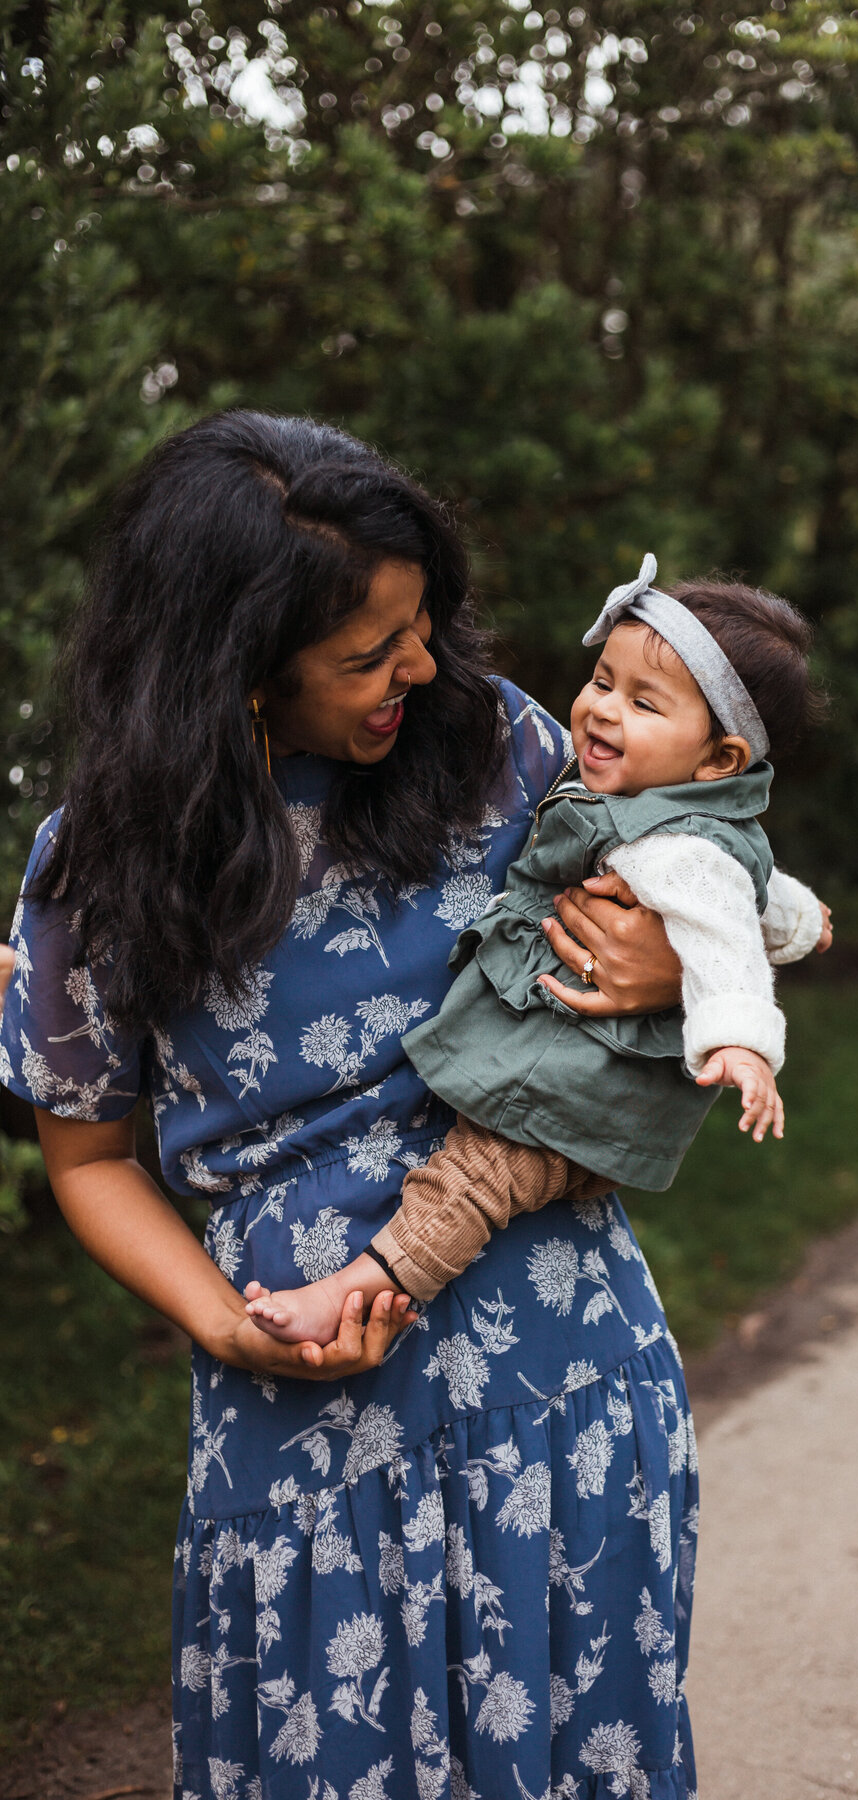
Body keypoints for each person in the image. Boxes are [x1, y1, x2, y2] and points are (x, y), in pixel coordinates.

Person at [0, 412, 725, 1800]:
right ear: (236, 675)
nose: (420, 668)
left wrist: (671, 961)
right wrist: (221, 1324)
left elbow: (703, 908)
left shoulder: (500, 749)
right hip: (309, 1425)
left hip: (562, 1387)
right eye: (365, 654)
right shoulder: (98, 867)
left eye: (424, 625)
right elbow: (86, 1156)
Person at [245, 554, 830, 1348]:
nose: (600, 711)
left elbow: (722, 927)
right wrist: (804, 926)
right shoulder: (666, 809)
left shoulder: (673, 845)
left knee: (468, 1186)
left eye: (643, 702)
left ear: (719, 759)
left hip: (568, 1080)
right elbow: (752, 896)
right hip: (596, 1091)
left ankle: (356, 1289)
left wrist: (740, 1042)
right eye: (602, 680)